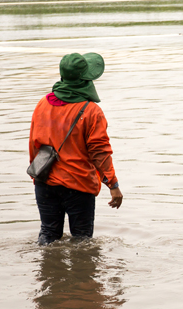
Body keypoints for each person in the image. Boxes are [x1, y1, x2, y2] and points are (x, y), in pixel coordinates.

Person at [28, 52, 123, 245]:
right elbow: (100, 153)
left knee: (47, 236)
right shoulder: (91, 111)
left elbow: (34, 145)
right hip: (78, 185)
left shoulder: (43, 104)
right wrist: (113, 185)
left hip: (45, 182)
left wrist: (37, 176)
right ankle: (81, 274)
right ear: (85, 80)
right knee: (82, 242)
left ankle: (46, 272)